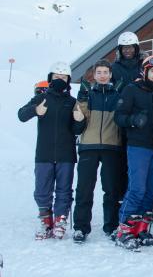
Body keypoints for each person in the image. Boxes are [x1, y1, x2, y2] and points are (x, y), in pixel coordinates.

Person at [114, 56, 153, 250]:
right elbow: (119, 116)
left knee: (151, 190)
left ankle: (142, 228)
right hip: (138, 146)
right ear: (145, 71)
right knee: (137, 188)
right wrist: (133, 120)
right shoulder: (132, 90)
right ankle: (124, 230)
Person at [18, 62, 85, 240]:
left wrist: (79, 120)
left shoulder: (72, 102)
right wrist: (35, 110)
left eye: (63, 78)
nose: (60, 81)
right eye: (57, 78)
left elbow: (77, 129)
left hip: (66, 154)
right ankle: (45, 219)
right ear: (50, 79)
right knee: (42, 189)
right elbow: (21, 115)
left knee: (64, 189)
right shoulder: (42, 98)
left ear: (68, 80)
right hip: (44, 153)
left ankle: (60, 219)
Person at [72, 60, 127, 243]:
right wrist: (80, 105)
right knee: (84, 189)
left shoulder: (119, 94)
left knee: (112, 189)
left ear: (110, 75)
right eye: (99, 72)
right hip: (89, 146)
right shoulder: (87, 95)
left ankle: (111, 226)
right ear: (94, 76)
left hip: (112, 147)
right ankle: (80, 228)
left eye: (106, 72)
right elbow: (77, 124)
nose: (103, 75)